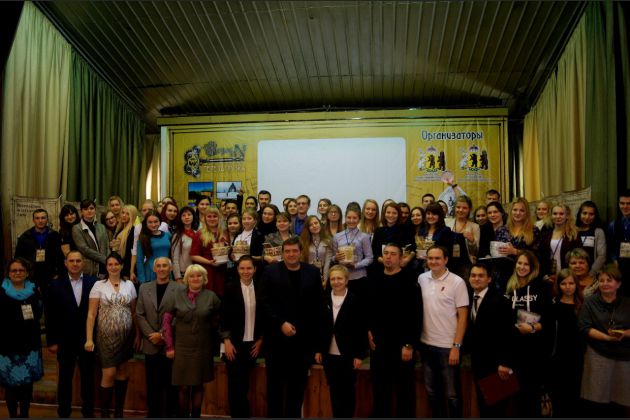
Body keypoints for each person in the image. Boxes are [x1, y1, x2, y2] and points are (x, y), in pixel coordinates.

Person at [258, 237, 323, 417]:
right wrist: (280, 323)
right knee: (275, 389)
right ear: (282, 253)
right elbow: (263, 303)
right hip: (276, 341)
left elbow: (318, 306)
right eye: (287, 251)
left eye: (294, 251)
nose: (291, 254)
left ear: (300, 252)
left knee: (297, 389)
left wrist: (316, 343)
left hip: (302, 343)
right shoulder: (270, 272)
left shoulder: (312, 272)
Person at [367, 244, 422, 417]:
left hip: (402, 346)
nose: (388, 257)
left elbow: (416, 315)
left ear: (400, 258)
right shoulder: (374, 279)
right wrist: (368, 331)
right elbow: (368, 310)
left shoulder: (409, 281)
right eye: (386, 253)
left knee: (404, 392)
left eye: (393, 254)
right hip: (378, 345)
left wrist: (409, 344)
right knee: (380, 391)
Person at [162, 264, 221, 418]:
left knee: (198, 386)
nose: (195, 278)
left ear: (204, 278)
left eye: (199, 275)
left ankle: (196, 416)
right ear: (187, 279)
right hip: (181, 348)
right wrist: (169, 346)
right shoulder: (176, 295)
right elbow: (166, 322)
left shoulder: (212, 297)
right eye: (192, 276)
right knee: (183, 387)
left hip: (203, 348)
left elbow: (219, 321)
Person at [418, 245, 469, 418]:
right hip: (426, 345)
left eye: (437, 258)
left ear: (446, 260)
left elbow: (463, 317)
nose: (433, 261)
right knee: (432, 393)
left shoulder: (457, 282)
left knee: (452, 394)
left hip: (447, 347)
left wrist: (456, 346)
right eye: (430, 258)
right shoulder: (421, 278)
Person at [85, 252, 137, 418]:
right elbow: (91, 314)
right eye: (110, 264)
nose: (113, 267)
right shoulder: (98, 285)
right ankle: (105, 414)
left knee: (122, 372)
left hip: (126, 337)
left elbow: (134, 312)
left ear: (122, 266)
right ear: (106, 267)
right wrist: (89, 338)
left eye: (116, 264)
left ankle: (119, 413)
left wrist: (137, 335)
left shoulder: (129, 285)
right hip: (105, 338)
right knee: (109, 373)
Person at [45, 251, 97, 418]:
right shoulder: (55, 285)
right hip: (64, 340)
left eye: (78, 261)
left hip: (87, 339)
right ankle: (64, 412)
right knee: (65, 378)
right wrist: (52, 341)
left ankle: (88, 412)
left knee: (88, 378)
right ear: (65, 263)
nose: (75, 264)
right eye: (72, 261)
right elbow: (50, 314)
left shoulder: (93, 282)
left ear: (83, 263)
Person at [503, 250, 552, 417]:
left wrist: (532, 328)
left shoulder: (541, 287)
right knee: (514, 400)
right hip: (513, 351)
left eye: (526, 264)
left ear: (532, 267)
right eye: (519, 263)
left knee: (531, 400)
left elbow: (549, 320)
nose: (522, 267)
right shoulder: (508, 287)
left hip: (535, 352)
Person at [314, 265, 367, 418]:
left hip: (348, 354)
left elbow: (361, 330)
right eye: (333, 279)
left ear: (346, 280)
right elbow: (318, 327)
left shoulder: (356, 300)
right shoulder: (323, 300)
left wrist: (359, 355)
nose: (336, 282)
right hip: (329, 354)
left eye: (339, 278)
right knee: (334, 390)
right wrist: (318, 349)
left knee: (348, 391)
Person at [578, 264, 630, 417]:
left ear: (618, 284)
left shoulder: (628, 303)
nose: (605, 283)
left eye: (609, 280)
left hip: (624, 356)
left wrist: (624, 334)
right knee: (596, 401)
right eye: (601, 280)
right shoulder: (589, 302)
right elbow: (584, 328)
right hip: (597, 353)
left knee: (621, 400)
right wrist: (607, 337)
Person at [465, 262, 514, 418]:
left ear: (489, 279)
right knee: (483, 407)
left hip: (497, 366)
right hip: (479, 363)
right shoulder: (468, 298)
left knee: (496, 409)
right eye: (473, 275)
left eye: (481, 276)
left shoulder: (501, 301)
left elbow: (509, 334)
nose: (476, 279)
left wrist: (505, 362)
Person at [136, 257, 181, 417]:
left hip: (170, 346)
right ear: (154, 269)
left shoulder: (179, 289)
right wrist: (152, 335)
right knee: (152, 385)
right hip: (151, 344)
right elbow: (140, 314)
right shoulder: (144, 288)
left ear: (170, 269)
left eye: (164, 266)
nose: (161, 269)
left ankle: (170, 415)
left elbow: (180, 314)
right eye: (159, 266)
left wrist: (162, 335)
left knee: (171, 385)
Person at [220, 256, 263, 418]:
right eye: (242, 268)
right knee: (235, 385)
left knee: (244, 385)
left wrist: (260, 340)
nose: (246, 271)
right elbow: (223, 316)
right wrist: (226, 341)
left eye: (249, 268)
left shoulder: (261, 288)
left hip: (252, 345)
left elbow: (265, 316)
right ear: (237, 270)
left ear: (255, 269)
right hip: (234, 344)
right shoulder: (230, 288)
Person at [0, 259, 44, 418]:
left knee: (27, 386)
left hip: (30, 346)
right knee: (10, 386)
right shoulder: (1, 292)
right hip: (7, 347)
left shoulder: (34, 291)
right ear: (8, 273)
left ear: (26, 273)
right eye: (14, 270)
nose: (17, 273)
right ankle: (13, 415)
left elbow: (39, 313)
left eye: (21, 270)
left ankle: (24, 415)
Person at [550, 268, 585, 417]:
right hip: (558, 358)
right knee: (559, 397)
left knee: (576, 397)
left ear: (576, 284)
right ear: (558, 285)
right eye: (563, 283)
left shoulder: (583, 306)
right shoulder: (553, 306)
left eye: (571, 283)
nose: (568, 287)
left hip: (578, 358)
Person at [15, 208, 64, 295]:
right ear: (33, 220)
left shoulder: (54, 235)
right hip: (31, 276)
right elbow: (18, 258)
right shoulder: (25, 237)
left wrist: (57, 273)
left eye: (43, 218)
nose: (40, 221)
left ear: (47, 219)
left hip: (50, 276)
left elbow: (59, 256)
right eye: (37, 218)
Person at [331, 207, 374, 297]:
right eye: (349, 217)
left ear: (359, 219)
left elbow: (370, 258)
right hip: (341, 278)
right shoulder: (337, 237)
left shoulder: (364, 237)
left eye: (354, 218)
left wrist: (356, 265)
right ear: (345, 218)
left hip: (359, 277)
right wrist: (336, 258)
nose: (351, 220)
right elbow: (333, 257)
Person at [539, 203, 581, 285]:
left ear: (567, 216)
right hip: (549, 275)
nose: (558, 216)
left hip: (568, 276)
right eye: (555, 214)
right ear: (551, 215)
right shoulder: (546, 233)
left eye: (561, 214)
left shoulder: (574, 234)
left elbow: (578, 257)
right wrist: (544, 275)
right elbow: (540, 256)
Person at [190, 207, 229, 296]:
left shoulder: (224, 233)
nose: (212, 219)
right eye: (209, 216)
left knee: (221, 297)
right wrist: (209, 262)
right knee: (207, 296)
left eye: (215, 216)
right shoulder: (199, 234)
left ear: (219, 218)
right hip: (207, 271)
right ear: (205, 218)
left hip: (222, 271)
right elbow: (193, 255)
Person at [72, 199, 110, 278]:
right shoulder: (76, 228)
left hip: (106, 268)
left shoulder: (102, 227)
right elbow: (84, 249)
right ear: (81, 212)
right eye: (85, 209)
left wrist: (109, 260)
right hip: (89, 270)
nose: (89, 211)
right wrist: (105, 259)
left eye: (91, 208)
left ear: (95, 210)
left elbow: (107, 246)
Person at [371, 202, 415, 270]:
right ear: (384, 214)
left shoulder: (406, 230)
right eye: (388, 212)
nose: (391, 215)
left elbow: (413, 248)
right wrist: (384, 261)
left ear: (398, 215)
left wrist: (406, 260)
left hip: (400, 268)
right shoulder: (378, 231)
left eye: (394, 213)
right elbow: (374, 252)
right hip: (381, 268)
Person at [136, 210, 172, 285]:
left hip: (166, 271)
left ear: (160, 222)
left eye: (156, 221)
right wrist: (142, 279)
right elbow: (139, 260)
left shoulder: (167, 235)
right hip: (150, 273)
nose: (153, 224)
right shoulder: (143, 238)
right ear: (146, 223)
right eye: (150, 222)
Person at [446, 195, 480, 273]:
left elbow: (475, 252)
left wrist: (472, 241)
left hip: (465, 265)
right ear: (454, 208)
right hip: (447, 263)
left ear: (469, 210)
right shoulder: (446, 222)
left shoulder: (475, 226)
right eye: (458, 207)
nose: (461, 210)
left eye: (464, 208)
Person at [608, 190, 630, 296]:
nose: (625, 206)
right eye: (622, 203)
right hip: (620, 267)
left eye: (629, 203)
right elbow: (610, 246)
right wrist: (614, 260)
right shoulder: (613, 225)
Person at [576, 200, 607, 276]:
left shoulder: (598, 232)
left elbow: (601, 256)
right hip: (574, 272)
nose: (587, 217)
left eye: (591, 214)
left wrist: (591, 273)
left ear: (595, 216)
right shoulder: (573, 230)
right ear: (580, 214)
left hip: (592, 273)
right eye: (584, 213)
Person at [300, 216, 332, 287]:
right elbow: (302, 261)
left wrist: (325, 279)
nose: (314, 226)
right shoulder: (303, 241)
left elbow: (328, 262)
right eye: (311, 225)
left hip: (323, 273)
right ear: (308, 228)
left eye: (316, 223)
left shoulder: (327, 241)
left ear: (320, 224)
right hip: (307, 274)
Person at [171, 206, 198, 282]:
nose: (187, 217)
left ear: (193, 216)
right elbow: (175, 258)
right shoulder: (177, 236)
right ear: (180, 218)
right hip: (183, 273)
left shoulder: (197, 234)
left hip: (197, 272)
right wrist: (178, 277)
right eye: (183, 215)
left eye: (189, 214)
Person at [113, 204, 138, 280]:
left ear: (132, 216)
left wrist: (127, 273)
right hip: (118, 265)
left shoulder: (133, 230)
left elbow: (129, 254)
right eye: (123, 213)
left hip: (126, 269)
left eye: (127, 214)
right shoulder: (119, 229)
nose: (124, 215)